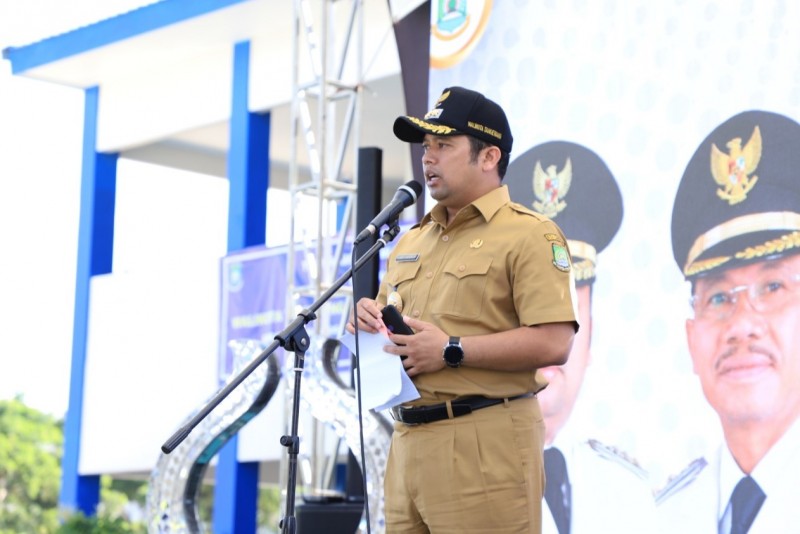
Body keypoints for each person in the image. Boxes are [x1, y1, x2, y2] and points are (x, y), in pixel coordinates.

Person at [346, 86, 579, 533]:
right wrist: (366, 319)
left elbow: (555, 342)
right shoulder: (413, 239)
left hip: (483, 439)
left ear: (489, 156)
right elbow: (392, 325)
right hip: (406, 440)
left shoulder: (530, 234)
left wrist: (451, 349)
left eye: (443, 145)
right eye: (425, 147)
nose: (428, 158)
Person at [658, 110, 800, 533]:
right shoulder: (658, 517)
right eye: (719, 297)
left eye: (772, 287)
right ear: (691, 340)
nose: (741, 324)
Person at [505, 141, 656, 534]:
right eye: (529, 307)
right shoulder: (455, 470)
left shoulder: (628, 490)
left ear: (592, 333)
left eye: (570, 310)